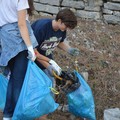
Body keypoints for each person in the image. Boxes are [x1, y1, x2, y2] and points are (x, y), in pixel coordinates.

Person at [32, 8, 79, 120]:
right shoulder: (42, 28)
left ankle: (43, 115)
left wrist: (69, 50)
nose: (66, 29)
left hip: (47, 59)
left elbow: (59, 42)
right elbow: (34, 52)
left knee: (50, 88)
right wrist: (48, 66)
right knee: (35, 88)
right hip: (32, 62)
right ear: (59, 20)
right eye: (66, 26)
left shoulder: (61, 30)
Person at [0, 0, 38, 120]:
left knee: (12, 80)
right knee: (18, 81)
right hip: (17, 38)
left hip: (5, 36)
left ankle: (7, 115)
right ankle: (17, 115)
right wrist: (30, 47)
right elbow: (21, 24)